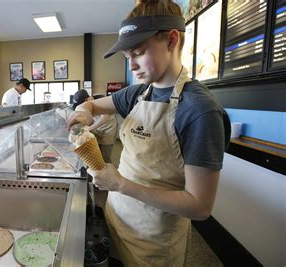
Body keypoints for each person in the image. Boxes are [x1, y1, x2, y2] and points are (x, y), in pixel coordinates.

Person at [67, 0, 231, 265]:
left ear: (171, 40)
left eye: (139, 53)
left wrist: (120, 184)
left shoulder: (199, 110)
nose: (131, 66)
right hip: (118, 217)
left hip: (154, 240)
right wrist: (85, 111)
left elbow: (199, 207)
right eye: (127, 58)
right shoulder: (138, 93)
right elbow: (93, 103)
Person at [88, 94, 117, 163]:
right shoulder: (90, 103)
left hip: (108, 131)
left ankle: (108, 173)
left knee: (105, 157)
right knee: (98, 155)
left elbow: (104, 118)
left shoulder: (99, 101)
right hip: (99, 131)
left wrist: (89, 128)